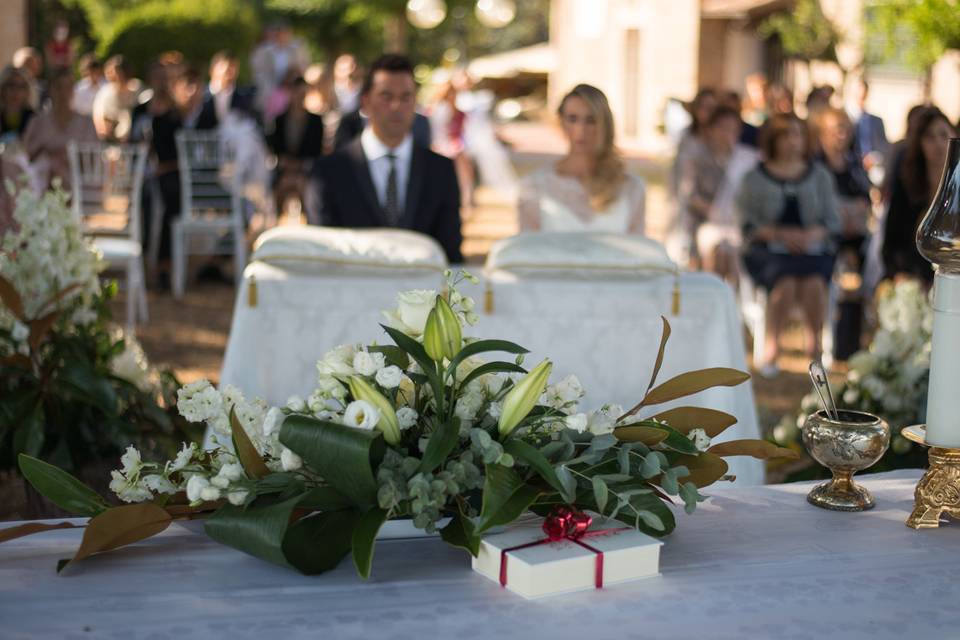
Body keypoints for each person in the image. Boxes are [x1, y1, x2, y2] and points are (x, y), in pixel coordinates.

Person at [309, 54, 463, 263]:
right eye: (386, 96)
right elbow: (322, 252)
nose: (396, 106)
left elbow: (451, 253)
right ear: (365, 101)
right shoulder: (329, 172)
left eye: (405, 97)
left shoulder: (441, 171)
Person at [738, 113, 841, 376]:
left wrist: (811, 236)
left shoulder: (820, 176)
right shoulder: (754, 177)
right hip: (769, 251)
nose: (792, 142)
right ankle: (772, 348)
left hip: (812, 249)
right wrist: (779, 235)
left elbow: (832, 222)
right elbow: (747, 224)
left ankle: (815, 347)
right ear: (773, 140)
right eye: (785, 135)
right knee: (784, 282)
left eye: (796, 134)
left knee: (815, 282)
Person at [517, 84, 645, 234]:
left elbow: (638, 250)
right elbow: (527, 249)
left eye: (591, 120)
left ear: (604, 124)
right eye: (573, 119)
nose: (581, 130)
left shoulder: (631, 188)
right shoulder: (534, 186)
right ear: (561, 122)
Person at [677, 105, 757, 286]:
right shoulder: (697, 158)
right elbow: (690, 195)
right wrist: (713, 210)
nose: (726, 134)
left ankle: (735, 305)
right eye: (722, 128)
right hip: (708, 223)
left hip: (739, 226)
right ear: (711, 129)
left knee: (734, 255)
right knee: (718, 253)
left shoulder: (747, 159)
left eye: (732, 129)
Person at [882, 106, 955, 285]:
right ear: (919, 143)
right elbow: (891, 244)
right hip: (911, 279)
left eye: (943, 135)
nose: (938, 143)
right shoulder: (907, 186)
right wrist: (900, 275)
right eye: (930, 137)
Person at [22, 68, 97, 189]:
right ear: (51, 90)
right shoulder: (37, 121)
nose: (63, 92)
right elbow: (27, 155)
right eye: (58, 87)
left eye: (68, 87)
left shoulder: (86, 122)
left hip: (76, 181)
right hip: (43, 180)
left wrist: (67, 158)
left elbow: (92, 157)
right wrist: (48, 155)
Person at [267, 76, 324, 216]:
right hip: (284, 171)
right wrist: (285, 163)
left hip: (307, 171)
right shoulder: (279, 121)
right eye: (296, 93)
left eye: (302, 94)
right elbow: (276, 149)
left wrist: (300, 165)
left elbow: (317, 151)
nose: (299, 97)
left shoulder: (316, 121)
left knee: (306, 190)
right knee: (279, 190)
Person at [92, 55, 142, 142]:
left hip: (134, 141)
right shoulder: (105, 93)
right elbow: (99, 119)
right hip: (111, 141)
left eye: (120, 73)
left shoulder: (137, 89)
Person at [848, 79, 888, 180]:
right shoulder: (846, 120)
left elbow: (884, 147)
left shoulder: (876, 121)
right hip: (852, 167)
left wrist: (873, 158)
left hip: (874, 168)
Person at [0, 66, 35, 142]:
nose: (16, 91)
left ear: (27, 91)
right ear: (2, 88)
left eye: (21, 87)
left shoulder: (33, 118)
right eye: (11, 85)